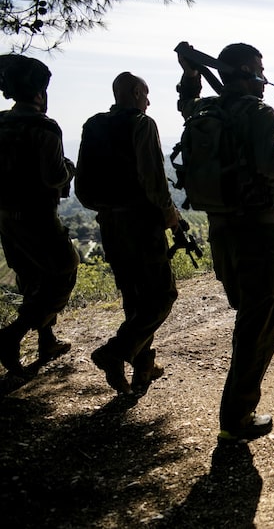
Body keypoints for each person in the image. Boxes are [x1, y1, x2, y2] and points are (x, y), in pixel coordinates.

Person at [176, 43, 274, 442]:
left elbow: (185, 101)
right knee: (257, 324)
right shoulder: (259, 113)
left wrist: (190, 73)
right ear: (245, 71)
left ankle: (237, 408)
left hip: (221, 231)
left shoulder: (204, 110)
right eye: (259, 68)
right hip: (257, 231)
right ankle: (236, 417)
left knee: (247, 312)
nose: (264, 76)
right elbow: (272, 165)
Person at [77, 72, 179, 395]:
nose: (148, 102)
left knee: (134, 297)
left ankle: (142, 364)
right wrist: (170, 217)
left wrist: (106, 209)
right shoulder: (142, 124)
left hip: (109, 224)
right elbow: (154, 180)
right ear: (135, 92)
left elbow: (81, 187)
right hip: (141, 224)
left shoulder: (93, 126)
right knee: (163, 295)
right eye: (146, 95)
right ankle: (115, 352)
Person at [0, 55, 79, 375]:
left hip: (6, 216)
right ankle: (12, 336)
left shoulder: (2, 122)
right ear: (40, 92)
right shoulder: (44, 127)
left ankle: (47, 339)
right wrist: (70, 169)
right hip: (37, 215)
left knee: (31, 276)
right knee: (64, 269)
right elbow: (53, 176)